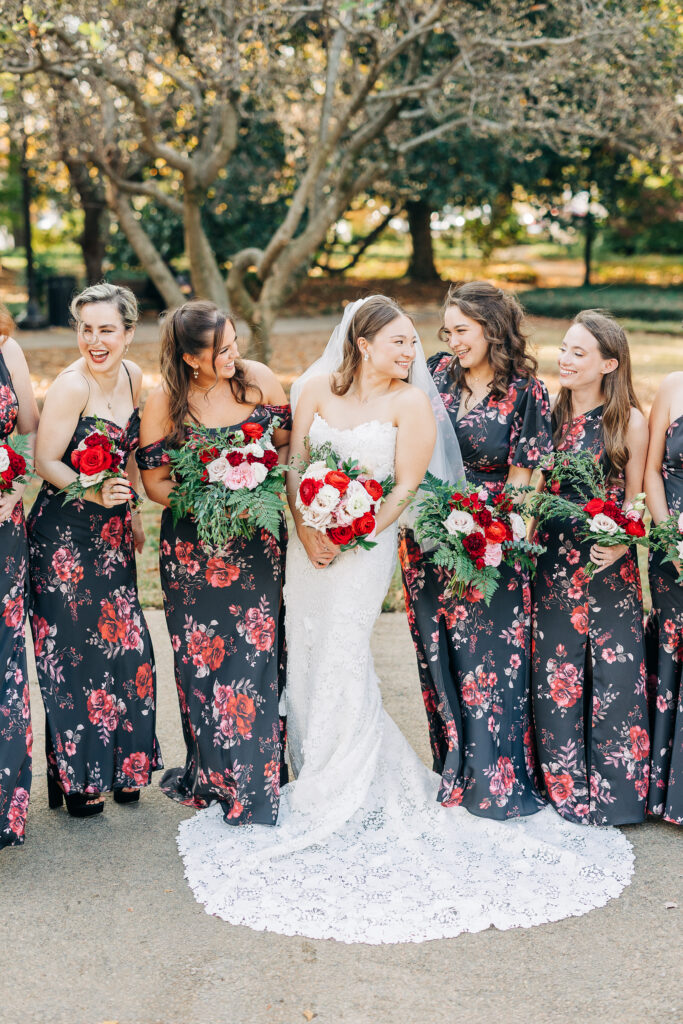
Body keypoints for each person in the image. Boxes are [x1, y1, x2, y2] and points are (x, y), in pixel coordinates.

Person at [173, 296, 634, 945]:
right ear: (361, 342)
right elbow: (295, 467)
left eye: (415, 343)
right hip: (312, 551)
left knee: (342, 651)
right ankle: (314, 765)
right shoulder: (313, 390)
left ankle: (354, 782)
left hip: (370, 549)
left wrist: (356, 528)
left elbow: (406, 485)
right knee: (305, 655)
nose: (412, 351)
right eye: (399, 341)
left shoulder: (415, 401)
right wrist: (309, 530)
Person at [399, 282, 552, 818]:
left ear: (491, 329)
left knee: (490, 663)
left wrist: (496, 536)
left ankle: (496, 780)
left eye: (462, 330)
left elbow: (523, 480)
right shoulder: (436, 374)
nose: (452, 340)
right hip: (427, 544)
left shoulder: (527, 391)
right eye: (448, 331)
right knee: (440, 655)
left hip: (491, 547)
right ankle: (454, 770)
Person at [138, 300, 289, 824]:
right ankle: (215, 773)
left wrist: (254, 482)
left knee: (256, 658)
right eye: (221, 350)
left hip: (256, 545)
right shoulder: (163, 404)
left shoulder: (259, 381)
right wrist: (212, 489)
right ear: (190, 358)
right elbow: (155, 483)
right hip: (192, 553)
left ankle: (259, 780)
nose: (234, 355)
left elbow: (288, 449)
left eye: (234, 344)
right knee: (202, 661)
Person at [28, 283, 161, 818]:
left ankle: (125, 768)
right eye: (86, 328)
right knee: (78, 660)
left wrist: (130, 515)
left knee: (128, 649)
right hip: (62, 537)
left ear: (129, 333)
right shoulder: (69, 386)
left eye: (106, 329)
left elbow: (127, 452)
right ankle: (79, 779)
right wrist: (92, 490)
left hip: (110, 535)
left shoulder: (133, 377)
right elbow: (45, 461)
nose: (95, 340)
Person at [532, 310, 650, 826]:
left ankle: (618, 798)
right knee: (556, 675)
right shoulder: (548, 415)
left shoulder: (628, 421)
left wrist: (624, 542)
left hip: (607, 565)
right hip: (551, 563)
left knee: (615, 676)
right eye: (563, 348)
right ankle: (563, 791)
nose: (564, 358)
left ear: (608, 363)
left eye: (578, 352)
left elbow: (638, 495)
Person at [0, 304, 39, 848]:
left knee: (4, 657)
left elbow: (28, 430)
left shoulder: (5, 345)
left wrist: (12, 489)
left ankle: (5, 808)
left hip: (3, 527)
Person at [644, 371, 683, 825]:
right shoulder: (674, 387)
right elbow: (651, 470)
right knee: (672, 649)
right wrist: (670, 537)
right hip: (670, 546)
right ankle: (664, 793)